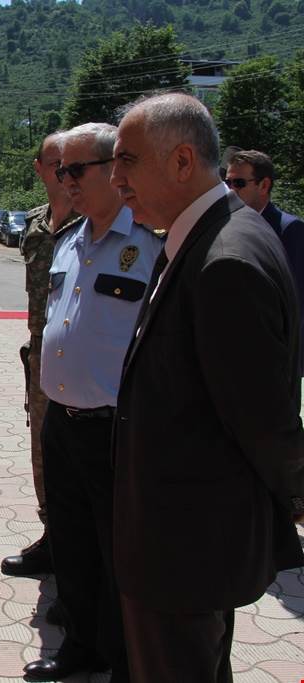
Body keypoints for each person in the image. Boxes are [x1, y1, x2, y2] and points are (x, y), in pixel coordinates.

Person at [110, 93, 304, 682]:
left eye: (127, 161)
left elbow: (264, 420)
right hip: (186, 541)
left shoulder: (225, 260)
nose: (116, 179)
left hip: (185, 549)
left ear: (182, 160)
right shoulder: (211, 233)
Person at [22, 123, 162, 682]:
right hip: (62, 420)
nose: (65, 181)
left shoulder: (150, 243)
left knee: (117, 555)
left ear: (113, 168)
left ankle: (126, 656)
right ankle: (81, 645)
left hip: (115, 429)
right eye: (61, 171)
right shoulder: (68, 240)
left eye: (76, 170)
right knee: (74, 547)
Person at [0, 131, 82, 579]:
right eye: (55, 164)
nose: (62, 172)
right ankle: (53, 537)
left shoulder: (99, 223)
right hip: (42, 353)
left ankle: (79, 548)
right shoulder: (35, 225)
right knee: (42, 449)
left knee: (83, 454)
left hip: (84, 356)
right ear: (39, 169)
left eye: (71, 164)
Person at [224, 149, 304, 375]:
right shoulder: (226, 224)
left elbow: (294, 300)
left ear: (264, 185)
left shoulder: (289, 229)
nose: (230, 189)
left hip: (276, 357)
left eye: (238, 183)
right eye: (227, 181)